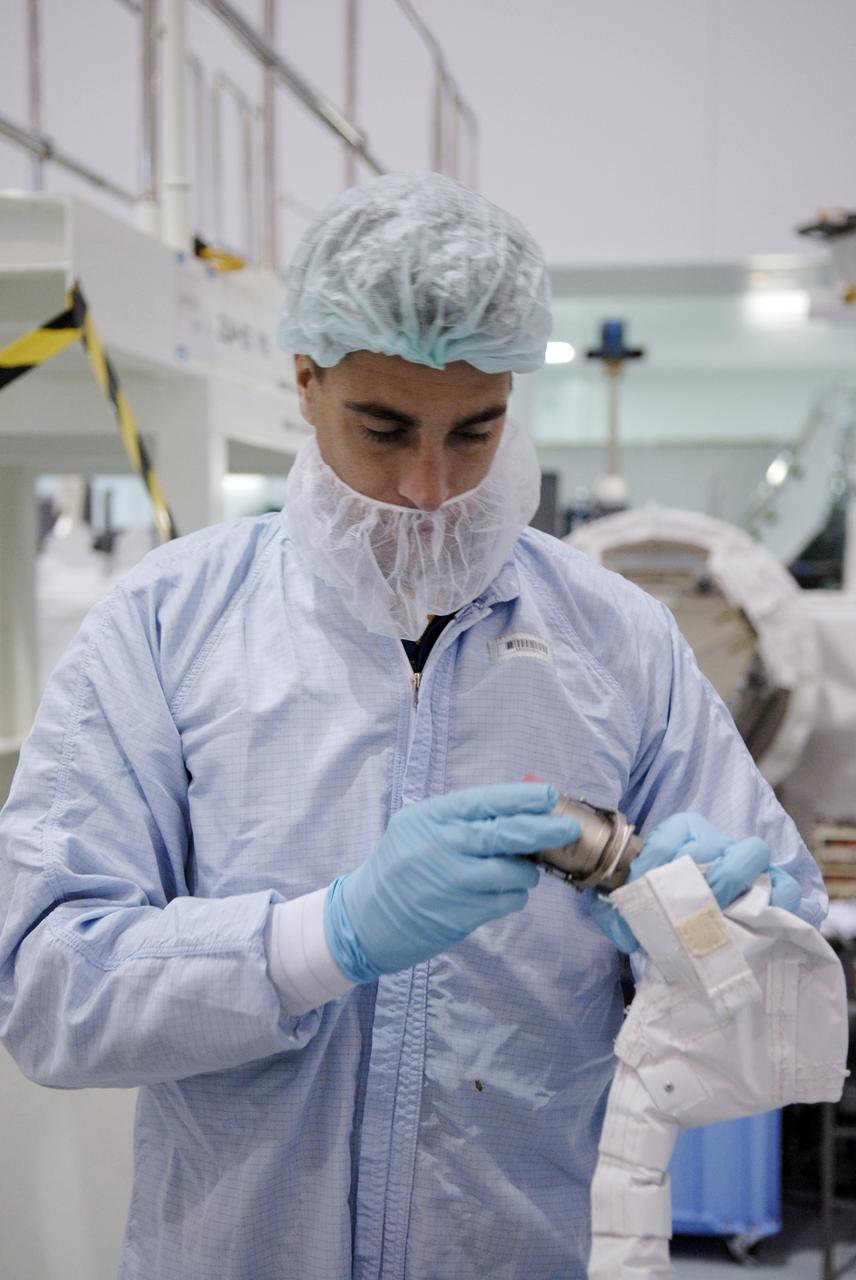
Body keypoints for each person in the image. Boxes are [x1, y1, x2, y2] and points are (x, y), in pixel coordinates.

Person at [0, 174, 825, 1280]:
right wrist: (319, 939)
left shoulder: (619, 640)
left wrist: (710, 928)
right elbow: (46, 987)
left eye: (475, 431)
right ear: (305, 380)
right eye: (383, 428)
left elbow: (781, 996)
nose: (431, 486)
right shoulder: (166, 624)